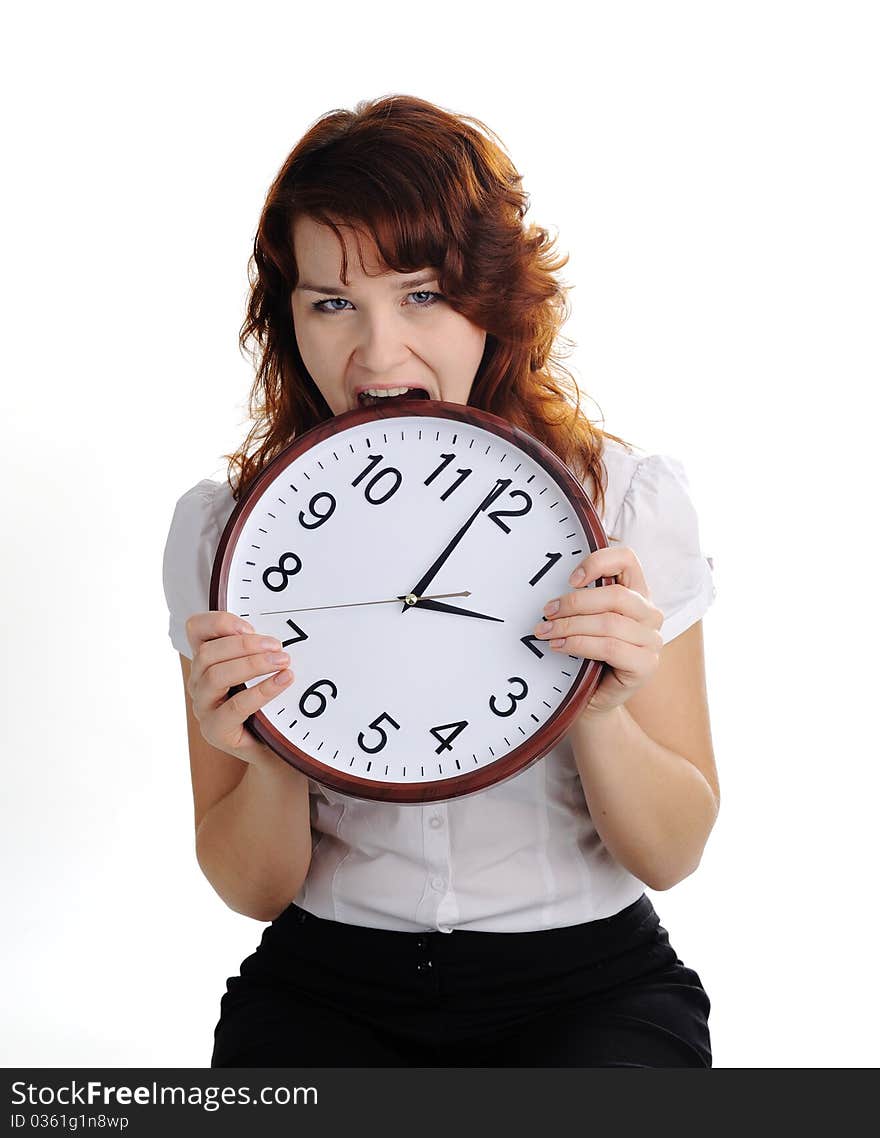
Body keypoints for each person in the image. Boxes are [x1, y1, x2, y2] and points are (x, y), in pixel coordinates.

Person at [162, 94, 720, 1068]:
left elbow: (670, 855)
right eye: (331, 302)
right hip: (324, 986)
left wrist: (595, 701)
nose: (377, 353)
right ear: (284, 313)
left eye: (420, 294)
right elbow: (253, 889)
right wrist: (264, 750)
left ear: (496, 299)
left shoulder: (623, 505)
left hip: (589, 987)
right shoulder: (229, 537)